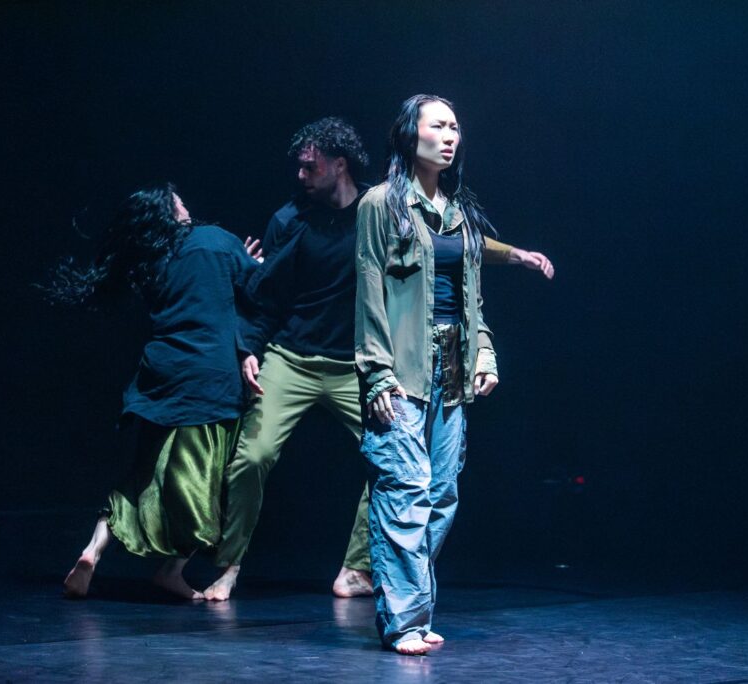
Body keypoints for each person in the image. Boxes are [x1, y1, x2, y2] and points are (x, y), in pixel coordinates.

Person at [202, 118, 553, 602]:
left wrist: (515, 254)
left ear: (339, 164)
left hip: (357, 363)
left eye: (311, 167)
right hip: (293, 356)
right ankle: (228, 565)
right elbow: (268, 295)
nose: (301, 176)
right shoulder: (289, 220)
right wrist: (249, 349)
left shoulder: (384, 208)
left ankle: (356, 568)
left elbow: (450, 245)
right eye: (299, 169)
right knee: (251, 458)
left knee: (395, 462)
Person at [47, 183, 258, 600]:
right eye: (178, 198)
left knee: (143, 476)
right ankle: (173, 569)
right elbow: (255, 289)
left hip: (160, 377)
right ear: (171, 209)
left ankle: (93, 549)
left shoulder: (148, 259)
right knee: (207, 482)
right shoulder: (215, 239)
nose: (184, 201)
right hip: (206, 379)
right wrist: (251, 264)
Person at [356, 94, 501, 654]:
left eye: (456, 127)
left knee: (441, 494)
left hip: (453, 366)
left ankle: (407, 600)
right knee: (405, 487)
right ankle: (404, 619)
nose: (450, 135)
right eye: (438, 125)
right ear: (408, 135)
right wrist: (376, 375)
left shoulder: (461, 214)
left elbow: (472, 301)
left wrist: (485, 354)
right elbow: (369, 293)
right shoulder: (380, 204)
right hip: (401, 365)